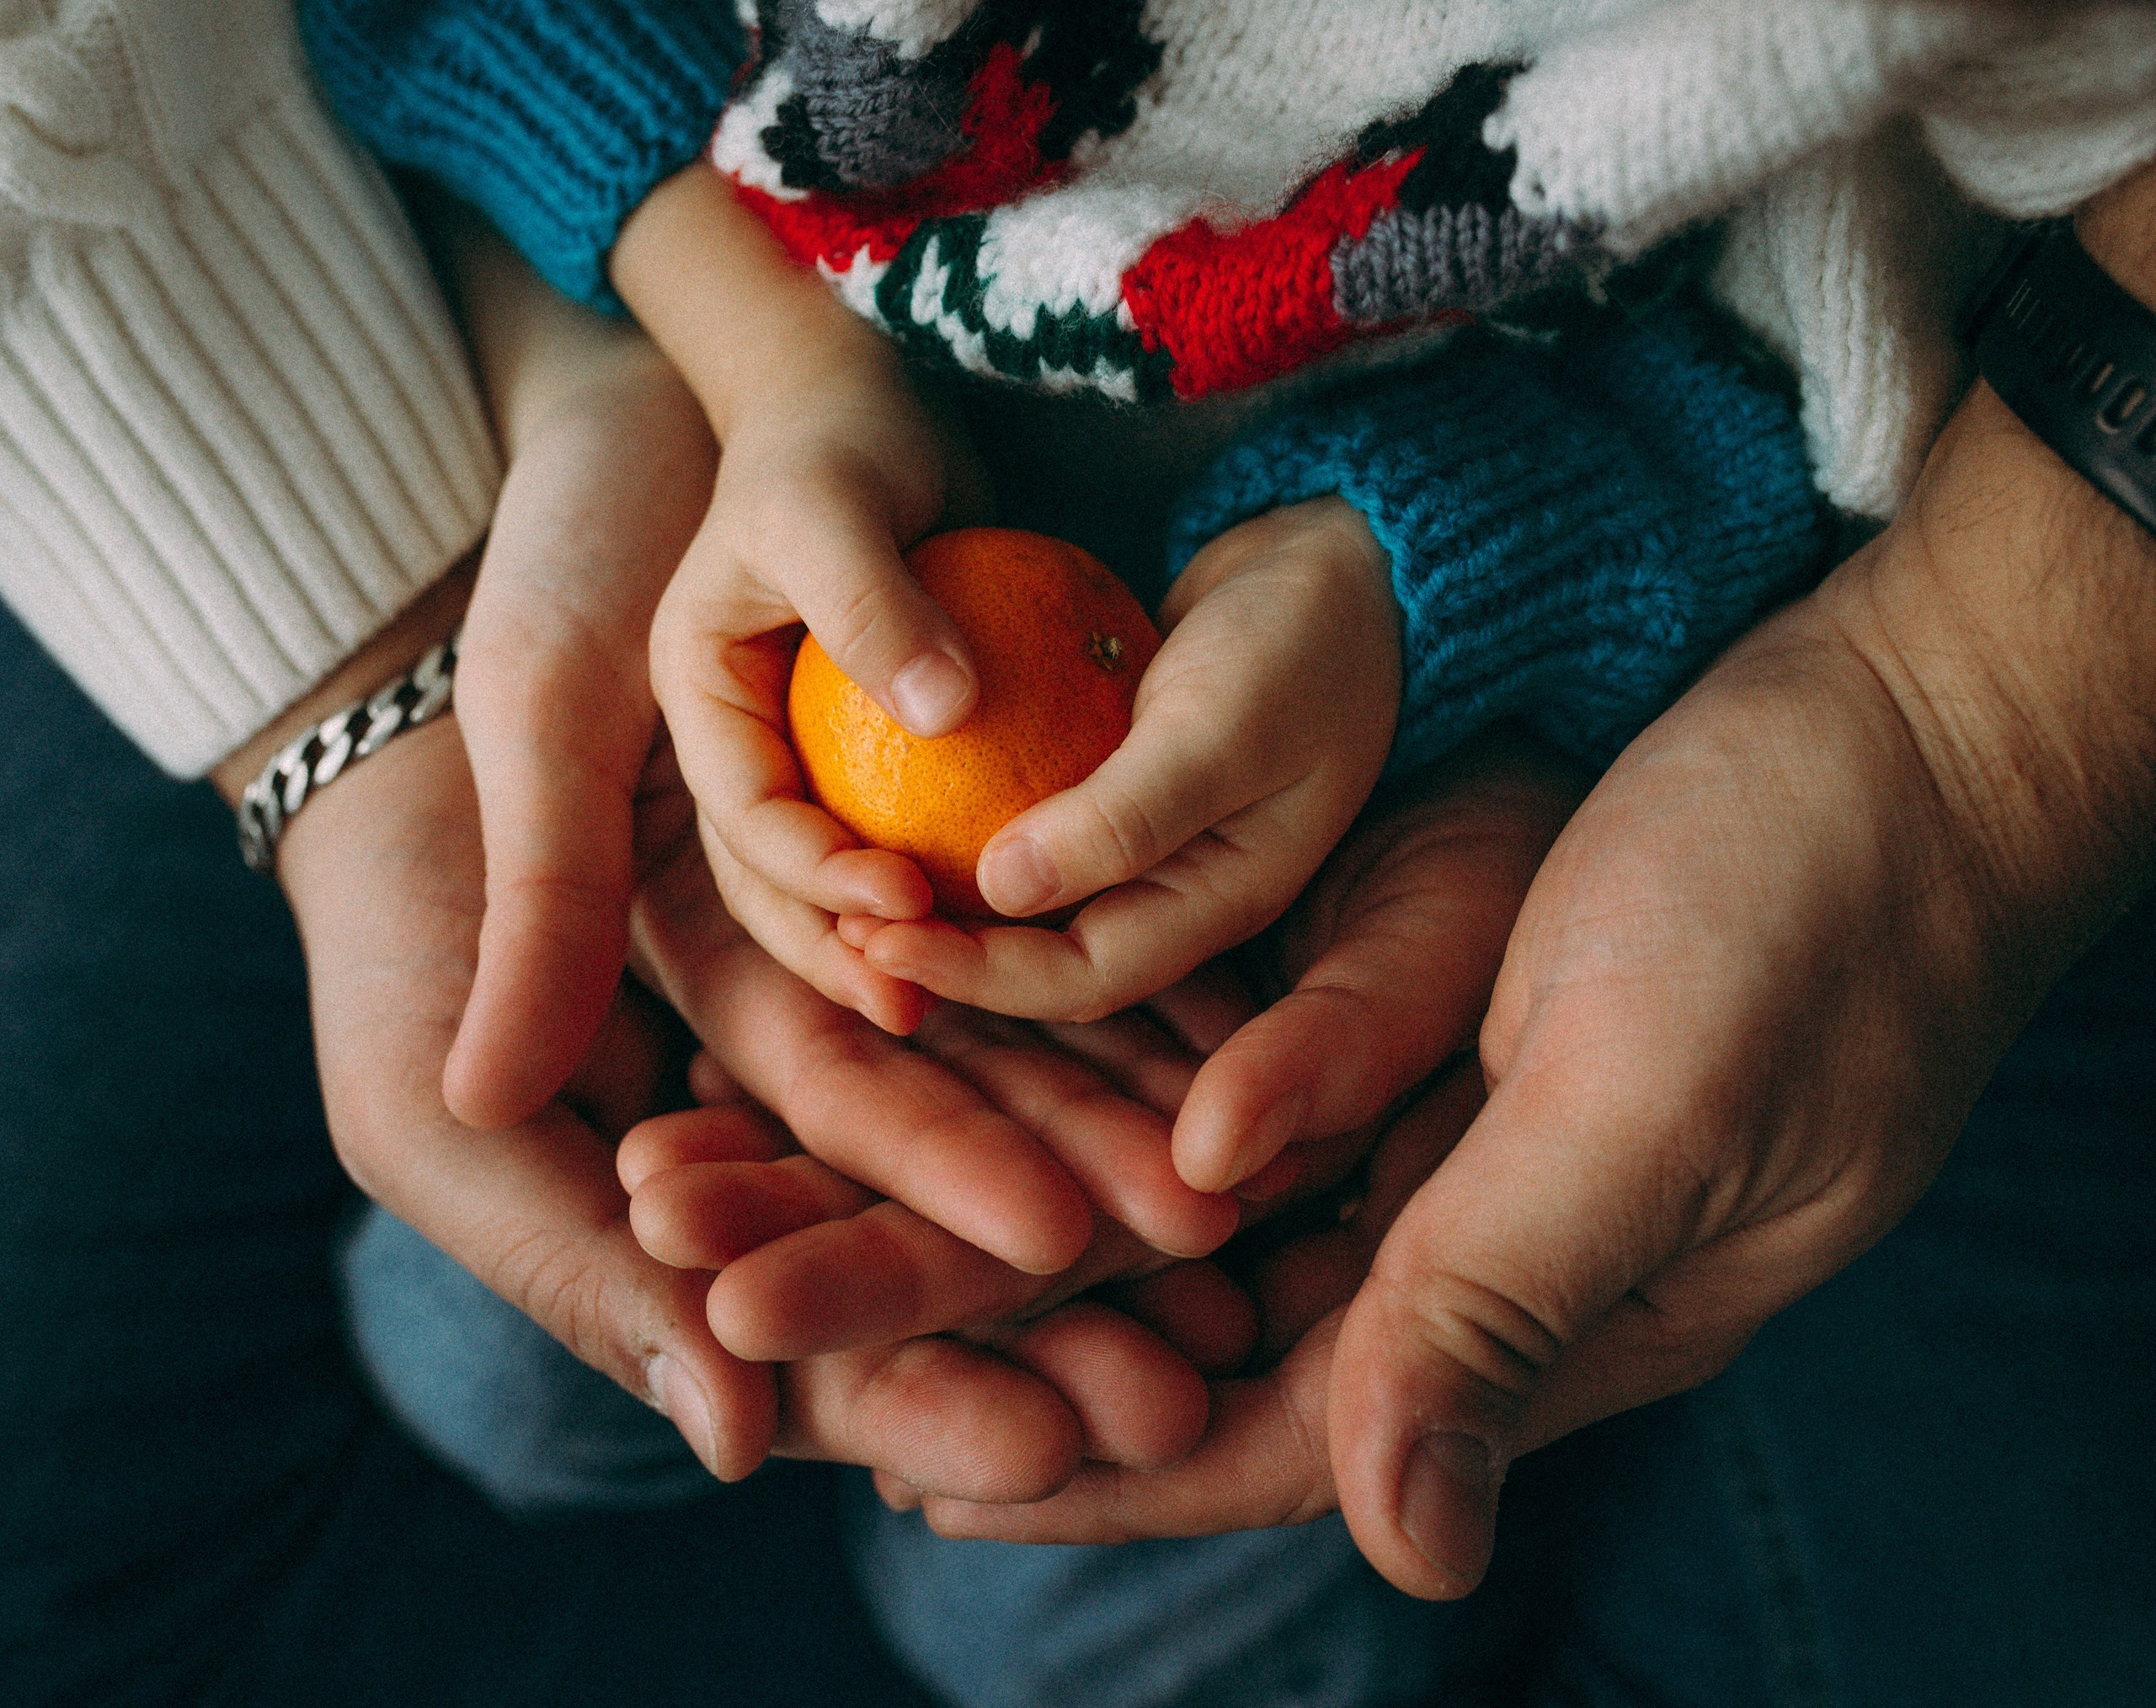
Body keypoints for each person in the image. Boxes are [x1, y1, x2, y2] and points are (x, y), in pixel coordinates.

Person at [297, 3, 2156, 1706]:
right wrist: (758, 372)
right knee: (506, 1355)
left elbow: (1828, 296)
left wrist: (1404, 569)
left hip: (1498, 723)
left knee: (1108, 1591)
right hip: (752, 422)